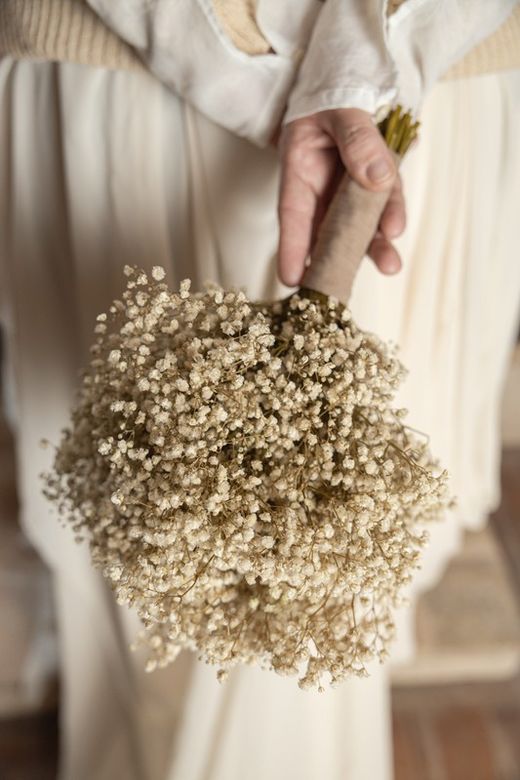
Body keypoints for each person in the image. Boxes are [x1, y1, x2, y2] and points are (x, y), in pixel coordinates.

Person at [0, 1, 519, 778]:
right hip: (130, 62)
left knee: (330, 557)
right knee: (140, 543)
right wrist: (334, 64)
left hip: (436, 61)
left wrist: (363, 61)